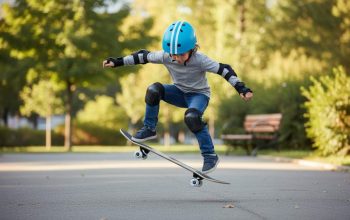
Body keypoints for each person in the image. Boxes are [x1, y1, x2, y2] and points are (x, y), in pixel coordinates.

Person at [103, 21, 253, 174]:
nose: (177, 58)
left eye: (181, 54)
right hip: (178, 92)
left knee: (192, 117)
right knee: (154, 89)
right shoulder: (166, 56)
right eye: (174, 55)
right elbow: (142, 56)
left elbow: (224, 70)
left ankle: (210, 156)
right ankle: (149, 128)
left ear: (192, 49)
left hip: (199, 95)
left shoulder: (200, 60)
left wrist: (241, 88)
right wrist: (118, 61)